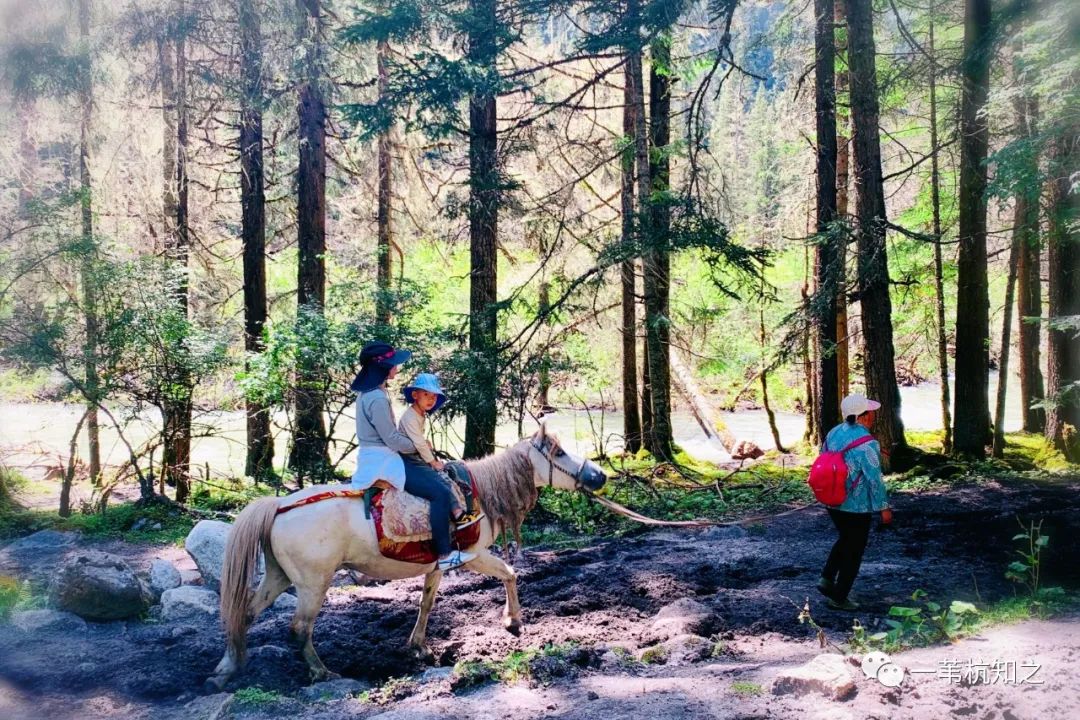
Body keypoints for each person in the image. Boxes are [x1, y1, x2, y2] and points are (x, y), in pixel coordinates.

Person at [350, 343, 475, 571]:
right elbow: (392, 440)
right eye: (394, 364)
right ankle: (445, 553)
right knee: (438, 492)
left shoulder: (369, 393)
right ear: (384, 367)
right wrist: (419, 446)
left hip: (380, 454)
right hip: (384, 459)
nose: (397, 368)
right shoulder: (377, 398)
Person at [817, 392, 893, 611]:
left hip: (832, 499)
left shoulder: (833, 432)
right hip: (856, 506)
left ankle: (827, 577)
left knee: (846, 538)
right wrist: (884, 508)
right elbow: (874, 480)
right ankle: (839, 597)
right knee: (855, 549)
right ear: (865, 416)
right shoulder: (868, 443)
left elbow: (823, 457)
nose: (873, 417)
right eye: (871, 413)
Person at [399, 373, 477, 529]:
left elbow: (417, 438)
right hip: (409, 459)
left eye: (434, 396)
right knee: (439, 482)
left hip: (416, 455)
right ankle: (457, 513)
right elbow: (419, 444)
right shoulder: (410, 417)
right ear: (415, 395)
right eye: (426, 394)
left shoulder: (419, 414)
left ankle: (458, 510)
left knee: (446, 476)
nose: (430, 399)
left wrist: (425, 443)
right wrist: (433, 462)